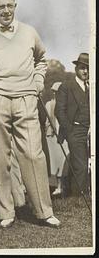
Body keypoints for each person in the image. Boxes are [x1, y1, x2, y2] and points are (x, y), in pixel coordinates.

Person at [0, 0, 61, 228]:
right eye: (0, 7)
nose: (6, 11)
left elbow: (41, 59)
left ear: (15, 5)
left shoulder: (29, 33)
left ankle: (44, 211)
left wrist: (38, 82)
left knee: (33, 154)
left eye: (9, 5)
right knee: (0, 158)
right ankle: (6, 213)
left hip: (26, 99)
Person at [55, 53, 90, 196]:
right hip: (75, 130)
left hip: (90, 130)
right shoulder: (66, 86)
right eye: (82, 68)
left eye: (88, 68)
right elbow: (59, 111)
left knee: (87, 163)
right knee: (80, 165)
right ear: (76, 68)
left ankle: (85, 194)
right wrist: (69, 131)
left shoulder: (91, 87)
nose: (85, 72)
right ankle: (78, 199)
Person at [45, 82, 69, 196]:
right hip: (53, 136)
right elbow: (46, 121)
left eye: (57, 92)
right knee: (54, 163)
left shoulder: (66, 105)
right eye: (54, 91)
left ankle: (63, 186)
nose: (55, 94)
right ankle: (57, 186)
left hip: (63, 136)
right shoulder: (49, 104)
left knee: (64, 161)